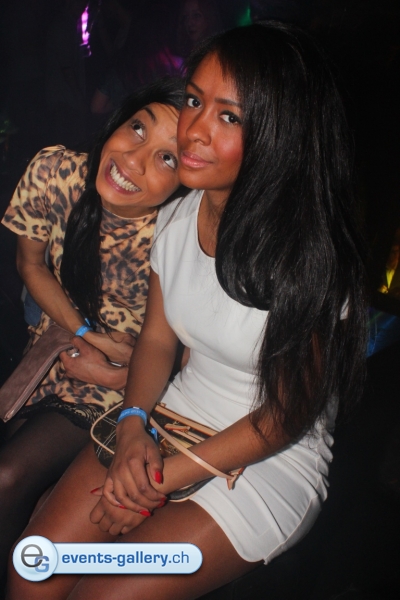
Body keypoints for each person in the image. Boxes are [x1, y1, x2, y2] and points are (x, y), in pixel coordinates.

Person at [7, 22, 366, 600]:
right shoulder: (178, 216)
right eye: (196, 101)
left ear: (279, 133)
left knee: (99, 594)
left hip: (267, 462)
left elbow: (286, 414)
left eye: (230, 117)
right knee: (34, 571)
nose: (194, 129)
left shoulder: (309, 253)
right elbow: (156, 341)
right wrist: (132, 424)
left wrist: (153, 482)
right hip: (168, 417)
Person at [0, 77, 184, 574]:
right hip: (55, 356)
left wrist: (116, 372)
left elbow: (184, 355)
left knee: (9, 477)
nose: (134, 160)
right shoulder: (55, 172)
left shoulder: (178, 233)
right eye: (138, 128)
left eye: (167, 158)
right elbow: (30, 265)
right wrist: (85, 337)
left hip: (130, 392)